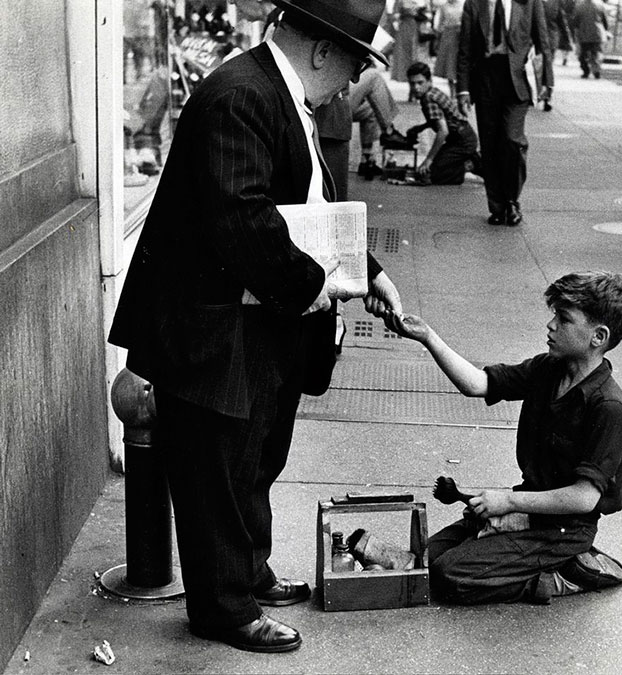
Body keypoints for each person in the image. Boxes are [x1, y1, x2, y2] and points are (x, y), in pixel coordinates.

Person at [108, 0, 404, 653]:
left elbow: (307, 209)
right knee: (219, 465)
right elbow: (244, 220)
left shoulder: (275, 92)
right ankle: (223, 606)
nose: (354, 81)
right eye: (355, 64)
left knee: (257, 455)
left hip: (258, 318)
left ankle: (248, 571)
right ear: (325, 51)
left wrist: (367, 270)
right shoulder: (240, 96)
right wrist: (319, 285)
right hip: (213, 326)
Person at [393, 271, 622, 604]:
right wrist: (427, 337)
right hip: (530, 508)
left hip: (564, 530)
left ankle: (563, 575)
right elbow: (477, 384)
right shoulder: (548, 369)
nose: (550, 325)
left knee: (449, 576)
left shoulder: (607, 406)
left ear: (598, 336)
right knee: (425, 557)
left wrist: (507, 502)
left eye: (563, 319)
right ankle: (521, 558)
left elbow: (584, 499)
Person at [457, 0, 553, 226]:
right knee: (490, 146)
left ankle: (512, 199)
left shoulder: (529, 3)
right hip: (486, 81)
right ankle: (498, 207)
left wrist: (547, 81)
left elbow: (543, 42)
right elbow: (465, 49)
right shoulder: (474, 4)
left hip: (517, 82)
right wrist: (462, 90)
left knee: (512, 140)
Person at [405, 61, 482, 185]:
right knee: (435, 167)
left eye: (420, 83)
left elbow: (443, 131)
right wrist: (421, 127)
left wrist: (428, 160)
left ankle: (470, 164)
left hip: (462, 141)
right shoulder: (432, 92)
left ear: (429, 81)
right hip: (463, 137)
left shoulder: (428, 98)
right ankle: (470, 161)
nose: (416, 88)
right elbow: (441, 118)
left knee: (430, 175)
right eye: (412, 83)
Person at [348, 67, 412, 177]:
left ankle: (366, 159)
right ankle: (389, 131)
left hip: (338, 96)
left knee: (372, 109)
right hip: (330, 99)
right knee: (374, 76)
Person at [433, 0, 464, 98]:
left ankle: (461, 90)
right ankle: (452, 93)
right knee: (449, 64)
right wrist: (437, 39)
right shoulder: (443, 6)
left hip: (460, 36)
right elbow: (440, 23)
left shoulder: (463, 4)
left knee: (459, 63)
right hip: (447, 35)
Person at [571, 0, 608, 79]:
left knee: (583, 54)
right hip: (597, 34)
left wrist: (576, 32)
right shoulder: (600, 5)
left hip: (583, 34)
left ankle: (586, 70)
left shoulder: (579, 6)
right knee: (597, 53)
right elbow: (605, 21)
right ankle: (596, 70)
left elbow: (575, 22)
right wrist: (605, 30)